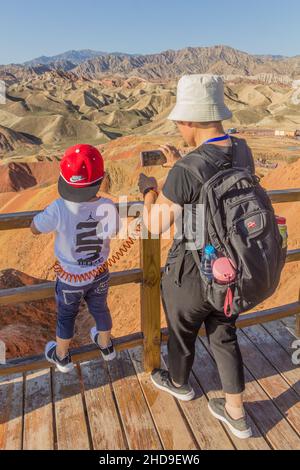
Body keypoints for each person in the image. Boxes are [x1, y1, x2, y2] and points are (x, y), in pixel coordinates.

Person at [138, 75, 254, 440]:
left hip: (189, 272)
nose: (177, 127)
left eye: (178, 122)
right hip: (230, 267)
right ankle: (236, 413)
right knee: (224, 333)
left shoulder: (185, 171)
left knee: (181, 332)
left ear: (188, 121)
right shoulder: (242, 150)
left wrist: (149, 192)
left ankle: (179, 384)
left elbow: (154, 225)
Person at [31, 144, 120, 373]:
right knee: (100, 309)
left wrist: (38, 219)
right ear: (99, 180)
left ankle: (61, 357)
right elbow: (114, 231)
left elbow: (35, 228)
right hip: (99, 273)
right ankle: (106, 345)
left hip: (71, 279)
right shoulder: (108, 206)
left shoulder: (59, 208)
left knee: (66, 315)